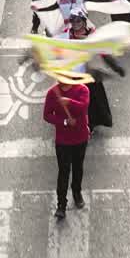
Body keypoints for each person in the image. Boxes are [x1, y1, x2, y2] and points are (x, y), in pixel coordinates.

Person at [43, 77, 90, 220]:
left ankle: (77, 193)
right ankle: (61, 205)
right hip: (63, 140)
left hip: (80, 138)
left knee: (78, 168)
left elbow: (83, 107)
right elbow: (47, 115)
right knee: (63, 171)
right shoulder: (52, 93)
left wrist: (68, 102)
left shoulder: (83, 90)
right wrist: (63, 121)